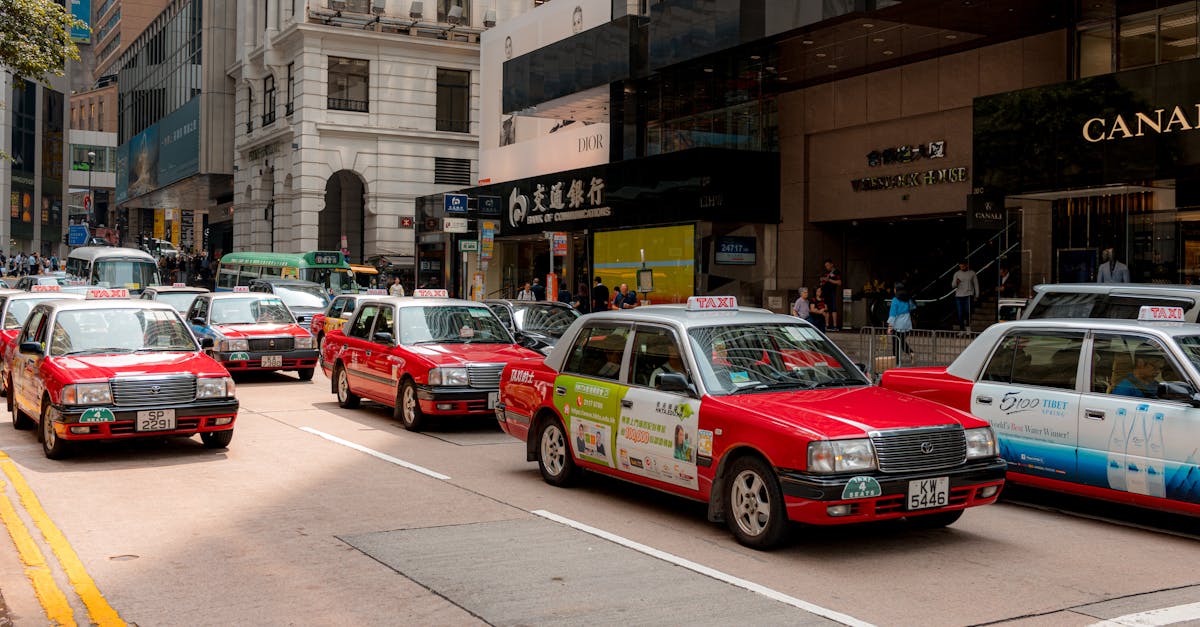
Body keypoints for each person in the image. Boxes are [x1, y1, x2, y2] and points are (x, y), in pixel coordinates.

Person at [887, 282, 916, 359]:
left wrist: (890, 327)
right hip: (907, 325)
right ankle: (911, 353)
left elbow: (892, 315)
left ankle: (896, 362)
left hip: (897, 326)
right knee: (902, 342)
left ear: (896, 290)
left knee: (896, 344)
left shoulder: (895, 300)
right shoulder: (908, 299)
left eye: (894, 288)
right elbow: (913, 307)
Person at [951, 260, 979, 332]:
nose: (962, 267)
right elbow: (953, 286)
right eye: (960, 266)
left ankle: (968, 328)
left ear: (967, 265)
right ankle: (961, 330)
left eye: (963, 265)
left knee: (967, 312)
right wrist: (956, 282)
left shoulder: (972, 273)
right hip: (959, 296)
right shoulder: (956, 273)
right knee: (960, 313)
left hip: (968, 295)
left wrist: (977, 295)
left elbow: (976, 284)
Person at [819, 259, 843, 330]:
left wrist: (829, 280)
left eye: (828, 265)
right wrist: (822, 280)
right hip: (825, 292)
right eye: (825, 266)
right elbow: (823, 282)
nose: (827, 267)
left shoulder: (836, 272)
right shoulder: (826, 272)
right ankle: (827, 325)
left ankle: (835, 326)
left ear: (831, 264)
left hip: (832, 292)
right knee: (826, 309)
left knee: (833, 309)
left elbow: (839, 282)